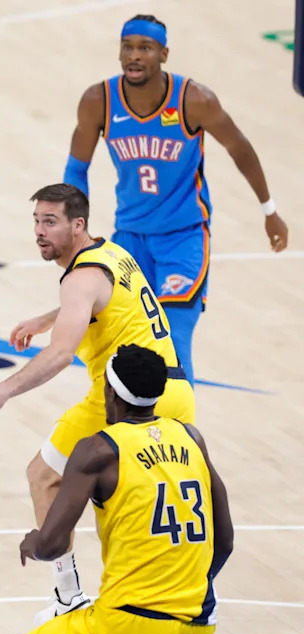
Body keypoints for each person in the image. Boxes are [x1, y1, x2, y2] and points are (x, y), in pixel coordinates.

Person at [0, 184, 195, 624]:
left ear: (78, 224)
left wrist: (1, 392)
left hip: (122, 397)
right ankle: (181, 597)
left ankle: (69, 597)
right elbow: (102, 299)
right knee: (158, 504)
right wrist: (47, 317)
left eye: (50, 222)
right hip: (177, 394)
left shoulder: (79, 278)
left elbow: (60, 354)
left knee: (44, 476)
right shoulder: (112, 253)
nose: (39, 231)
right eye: (36, 221)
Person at [62, 14, 289, 384]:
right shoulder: (99, 100)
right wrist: (74, 230)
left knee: (173, 339)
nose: (135, 56)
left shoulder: (193, 100)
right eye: (128, 47)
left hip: (184, 237)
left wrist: (270, 210)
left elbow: (240, 148)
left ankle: (182, 436)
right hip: (130, 237)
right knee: (121, 345)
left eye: (145, 48)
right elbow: (76, 170)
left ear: (163, 54)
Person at [0, 344, 234, 634]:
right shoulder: (191, 437)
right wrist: (188, 593)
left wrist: (33, 543)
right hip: (199, 630)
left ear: (109, 391)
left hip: (130, 631)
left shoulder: (98, 451)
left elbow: (52, 544)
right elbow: (225, 541)